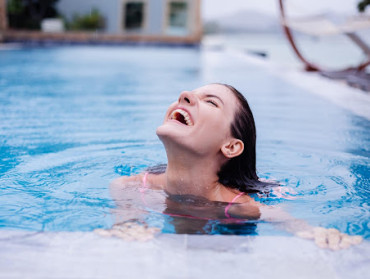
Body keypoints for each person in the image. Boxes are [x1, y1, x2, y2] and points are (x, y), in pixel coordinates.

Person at [108, 83, 362, 249]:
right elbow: (123, 200)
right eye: (191, 95)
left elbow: (294, 224)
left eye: (211, 102)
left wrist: (323, 235)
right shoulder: (132, 187)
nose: (184, 96)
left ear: (231, 146)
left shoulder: (241, 207)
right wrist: (125, 221)